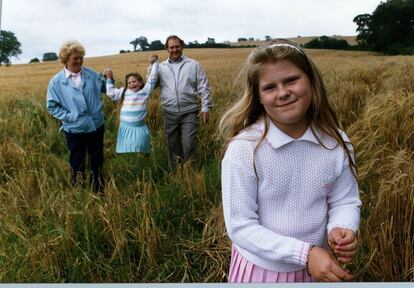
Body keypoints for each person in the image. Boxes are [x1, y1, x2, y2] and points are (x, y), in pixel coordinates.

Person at [219, 40, 362, 283]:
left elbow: (345, 199)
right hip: (261, 272)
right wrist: (305, 254)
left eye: (291, 80)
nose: (283, 92)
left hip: (318, 268)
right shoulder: (244, 150)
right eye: (269, 87)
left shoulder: (337, 142)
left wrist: (342, 227)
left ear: (311, 81)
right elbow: (241, 227)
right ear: (258, 97)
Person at [46, 40, 106, 192]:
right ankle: (78, 189)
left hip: (96, 124)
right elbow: (52, 106)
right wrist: (70, 117)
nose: (79, 61)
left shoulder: (92, 75)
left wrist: (108, 78)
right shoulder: (56, 82)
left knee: (97, 157)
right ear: (66, 60)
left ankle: (98, 187)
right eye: (75, 58)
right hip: (74, 128)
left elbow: (106, 89)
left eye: (81, 57)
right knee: (77, 159)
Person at [151, 35, 213, 166]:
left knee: (189, 144)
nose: (175, 50)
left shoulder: (193, 65)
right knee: (172, 146)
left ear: (182, 46)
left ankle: (189, 173)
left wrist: (206, 108)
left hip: (190, 112)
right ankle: (175, 174)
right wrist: (152, 67)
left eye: (177, 46)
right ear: (167, 49)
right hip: (169, 113)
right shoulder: (161, 67)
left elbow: (204, 87)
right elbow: (151, 85)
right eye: (171, 47)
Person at [104, 55, 159, 154]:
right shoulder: (124, 91)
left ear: (141, 82)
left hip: (139, 128)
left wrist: (154, 64)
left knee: (141, 151)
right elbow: (111, 93)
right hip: (125, 128)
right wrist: (109, 79)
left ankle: (142, 163)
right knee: (126, 153)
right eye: (129, 83)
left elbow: (153, 78)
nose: (132, 84)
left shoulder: (145, 92)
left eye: (134, 81)